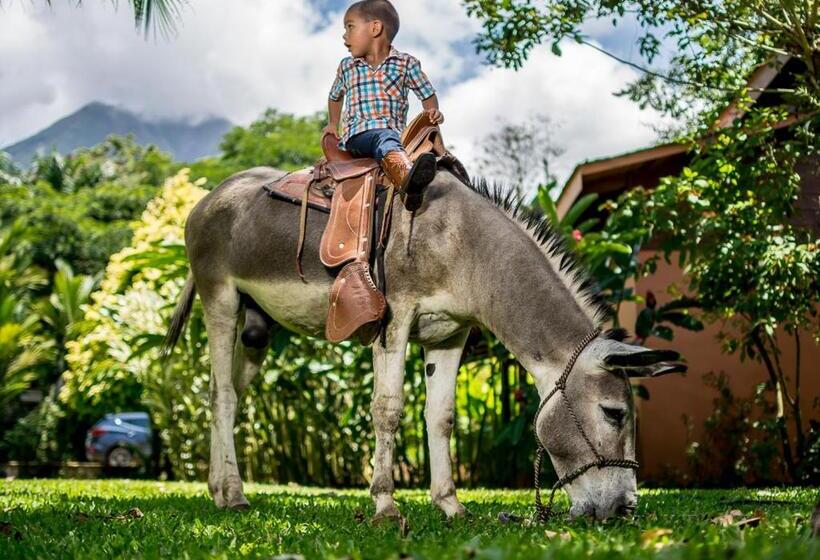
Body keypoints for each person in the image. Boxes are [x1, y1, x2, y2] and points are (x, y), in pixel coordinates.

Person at [324, 0, 443, 209]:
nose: (344, 35)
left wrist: (431, 112)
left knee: (390, 137)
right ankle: (406, 178)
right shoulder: (347, 67)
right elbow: (335, 96)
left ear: (375, 28)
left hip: (395, 135)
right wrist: (333, 123)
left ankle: (414, 168)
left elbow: (427, 93)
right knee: (382, 136)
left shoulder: (406, 64)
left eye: (350, 26)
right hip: (358, 136)